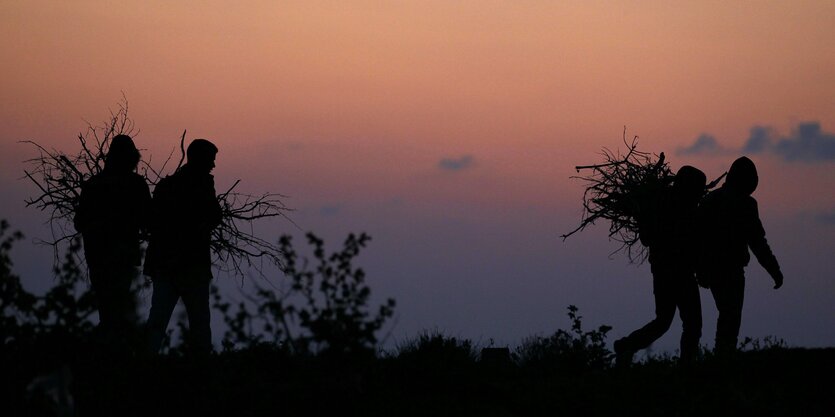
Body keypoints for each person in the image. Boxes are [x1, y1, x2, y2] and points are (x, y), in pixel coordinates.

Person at [613, 166, 706, 366]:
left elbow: (648, 238)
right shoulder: (679, 208)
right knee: (691, 323)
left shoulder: (662, 204)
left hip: (664, 272)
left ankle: (627, 345)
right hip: (677, 273)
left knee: (664, 322)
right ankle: (687, 366)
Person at [697, 156, 783, 355]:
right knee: (730, 316)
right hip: (729, 270)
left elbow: (698, 239)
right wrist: (775, 270)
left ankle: (721, 358)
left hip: (715, 269)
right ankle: (723, 359)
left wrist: (701, 270)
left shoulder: (710, 200)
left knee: (727, 315)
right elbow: (758, 242)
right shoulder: (746, 205)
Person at [144, 139, 222, 354]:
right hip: (188, 267)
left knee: (158, 321)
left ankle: (143, 365)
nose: (213, 166)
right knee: (197, 326)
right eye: (210, 160)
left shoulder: (167, 186)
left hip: (168, 266)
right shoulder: (200, 185)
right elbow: (214, 216)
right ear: (200, 159)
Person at [74, 134, 151, 347]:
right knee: (116, 310)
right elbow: (149, 220)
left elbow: (79, 222)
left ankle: (104, 354)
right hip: (121, 258)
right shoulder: (135, 184)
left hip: (97, 257)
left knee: (106, 309)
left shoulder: (93, 184)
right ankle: (113, 357)